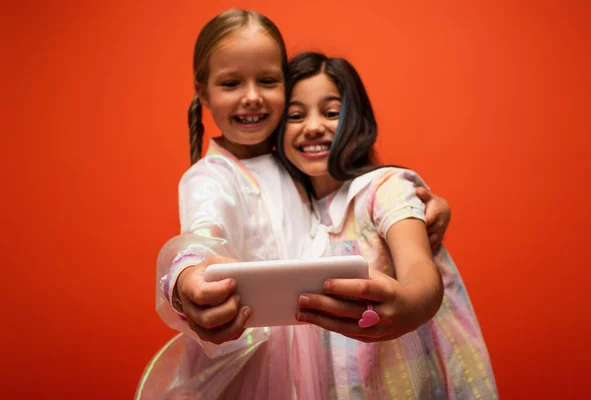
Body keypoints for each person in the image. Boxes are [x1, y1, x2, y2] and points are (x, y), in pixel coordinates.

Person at [136, 9, 452, 399]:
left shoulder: (293, 161)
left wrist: (426, 206)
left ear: (285, 88)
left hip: (316, 360)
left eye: (268, 81)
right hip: (253, 370)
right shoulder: (210, 178)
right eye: (232, 83)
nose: (252, 97)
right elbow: (201, 236)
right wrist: (185, 278)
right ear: (203, 93)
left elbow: (347, 201)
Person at [275, 51, 498, 398]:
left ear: (357, 122)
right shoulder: (291, 211)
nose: (314, 125)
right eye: (295, 115)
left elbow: (420, 270)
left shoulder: (385, 188)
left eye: (332, 112)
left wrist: (410, 304)